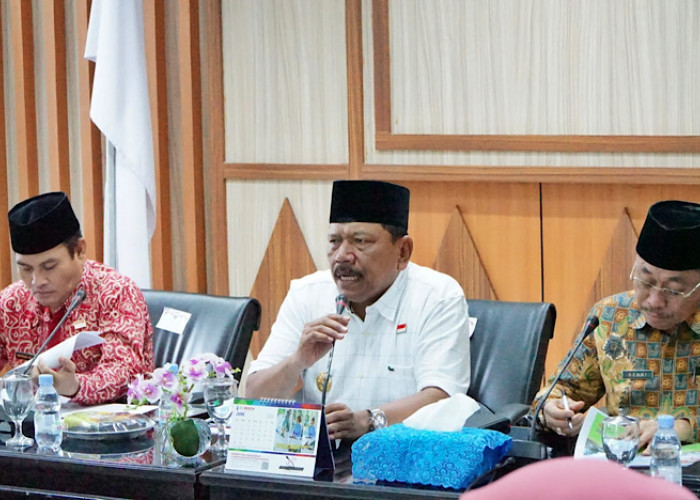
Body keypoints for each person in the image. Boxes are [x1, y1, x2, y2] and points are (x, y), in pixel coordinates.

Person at [246, 180, 470, 440]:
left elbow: (443, 399)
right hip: (320, 458)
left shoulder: (437, 296)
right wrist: (297, 361)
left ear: (402, 251)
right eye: (334, 241)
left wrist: (368, 421)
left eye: (360, 241)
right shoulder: (307, 294)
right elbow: (254, 398)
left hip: (402, 454)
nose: (342, 256)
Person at [534, 200, 700, 447]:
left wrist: (683, 428)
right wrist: (552, 409)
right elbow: (561, 390)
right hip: (622, 461)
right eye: (645, 282)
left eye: (674, 291)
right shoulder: (610, 316)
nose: (654, 301)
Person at [0, 192, 154, 405]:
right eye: (26, 269)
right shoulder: (11, 302)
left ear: (80, 251)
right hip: (31, 423)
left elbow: (125, 372)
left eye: (49, 266)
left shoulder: (116, 292)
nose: (37, 281)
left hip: (110, 422)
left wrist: (74, 386)